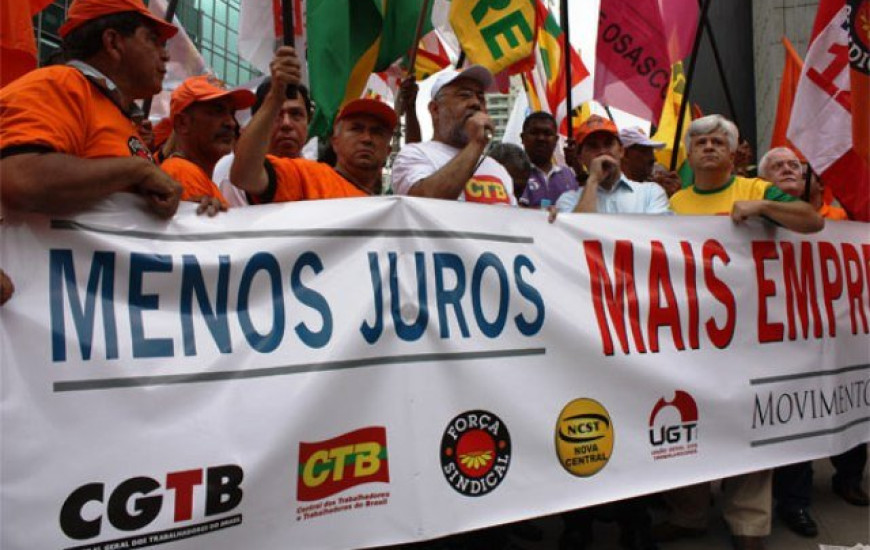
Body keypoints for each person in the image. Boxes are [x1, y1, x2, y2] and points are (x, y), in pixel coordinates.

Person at [655, 115, 823, 550]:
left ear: (732, 153)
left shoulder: (754, 189)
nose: (708, 147)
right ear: (690, 154)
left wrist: (764, 208)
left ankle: (748, 523)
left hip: (749, 336)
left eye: (717, 142)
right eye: (701, 142)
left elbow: (810, 220)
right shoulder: (673, 206)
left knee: (747, 425)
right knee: (691, 424)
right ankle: (689, 514)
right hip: (692, 335)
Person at [758, 146, 867, 537]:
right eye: (778, 167)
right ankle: (794, 500)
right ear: (762, 181)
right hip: (785, 335)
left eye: (795, 166)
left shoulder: (840, 219)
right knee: (796, 413)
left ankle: (849, 476)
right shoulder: (759, 216)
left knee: (850, 397)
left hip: (840, 330)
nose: (789, 169)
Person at [0, 0, 182, 218]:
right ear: (113, 43)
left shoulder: (118, 111)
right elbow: (21, 178)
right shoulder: (60, 83)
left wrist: (198, 214)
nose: (165, 55)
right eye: (153, 40)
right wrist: (136, 170)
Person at [230, 47, 395, 202]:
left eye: (377, 132)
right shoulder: (307, 176)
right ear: (334, 140)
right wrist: (275, 96)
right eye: (356, 129)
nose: (367, 138)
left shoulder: (393, 209)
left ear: (388, 150)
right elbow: (244, 175)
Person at [390, 65, 516, 205]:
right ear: (435, 109)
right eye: (464, 95)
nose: (475, 103)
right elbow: (423, 205)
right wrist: (476, 143)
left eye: (480, 98)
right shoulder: (413, 155)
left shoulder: (497, 168)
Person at [159, 75, 255, 215]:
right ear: (182, 123)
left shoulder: (197, 175)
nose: (231, 123)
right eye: (217, 111)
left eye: (232, 113)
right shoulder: (182, 171)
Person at [213, 77, 314, 207]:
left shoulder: (316, 174)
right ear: (258, 121)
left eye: (296, 114)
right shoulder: (228, 173)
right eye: (276, 114)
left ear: (308, 120)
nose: (287, 123)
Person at [554, 115, 670, 215]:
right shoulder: (569, 200)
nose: (602, 151)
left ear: (621, 151)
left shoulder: (650, 193)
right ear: (580, 157)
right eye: (593, 146)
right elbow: (576, 233)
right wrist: (593, 180)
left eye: (608, 144)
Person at [519, 111, 578, 207]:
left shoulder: (569, 175)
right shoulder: (514, 174)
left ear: (556, 140)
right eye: (534, 133)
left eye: (547, 133)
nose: (541, 138)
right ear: (522, 138)